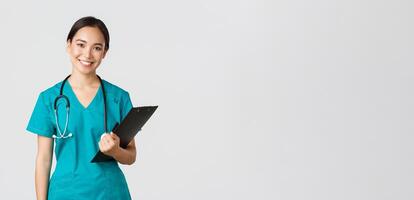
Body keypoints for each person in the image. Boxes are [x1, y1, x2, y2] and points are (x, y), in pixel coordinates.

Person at [26, 16, 136, 200]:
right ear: (69, 45)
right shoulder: (49, 99)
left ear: (105, 52)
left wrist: (115, 151)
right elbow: (44, 160)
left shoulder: (119, 98)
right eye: (81, 44)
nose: (87, 54)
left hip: (110, 193)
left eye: (97, 48)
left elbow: (131, 156)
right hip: (65, 193)